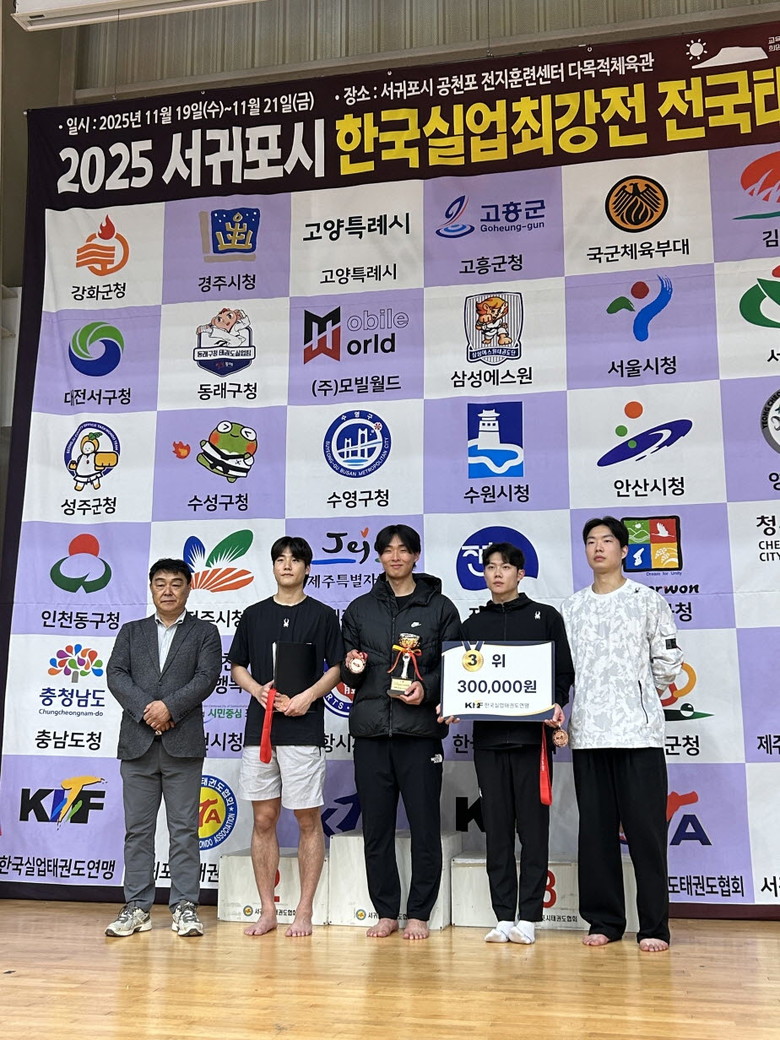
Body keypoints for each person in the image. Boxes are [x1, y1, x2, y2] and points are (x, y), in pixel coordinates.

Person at [561, 517, 683, 953]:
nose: (598, 548)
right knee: (596, 835)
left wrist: (640, 694)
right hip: (589, 734)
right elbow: (563, 670)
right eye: (591, 541)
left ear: (624, 550)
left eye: (607, 541)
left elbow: (668, 661)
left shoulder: (647, 600)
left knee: (646, 834)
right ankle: (605, 921)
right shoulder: (572, 607)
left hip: (638, 735)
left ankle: (654, 926)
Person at [341, 523, 461, 940]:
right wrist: (352, 666)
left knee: (425, 827)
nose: (396, 556)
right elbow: (348, 674)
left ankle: (419, 913)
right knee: (376, 829)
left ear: (415, 555)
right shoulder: (359, 609)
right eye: (388, 550)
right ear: (379, 557)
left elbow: (455, 666)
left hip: (419, 733)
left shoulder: (440, 607)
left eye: (403, 550)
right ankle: (386, 911)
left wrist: (427, 689)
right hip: (372, 733)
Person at [229, 536, 343, 938]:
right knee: (263, 819)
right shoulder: (254, 614)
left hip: (303, 729)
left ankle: (305, 910)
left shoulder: (323, 615)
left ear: (307, 568)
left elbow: (337, 668)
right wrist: (256, 690)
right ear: (273, 566)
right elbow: (237, 665)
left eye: (295, 559)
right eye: (280, 559)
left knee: (308, 819)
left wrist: (307, 697)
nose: (287, 565)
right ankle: (267, 910)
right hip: (260, 731)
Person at [461, 542, 573, 945]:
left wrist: (554, 702)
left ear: (520, 574)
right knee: (497, 832)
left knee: (533, 831)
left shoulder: (545, 617)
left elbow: (563, 673)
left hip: (532, 742)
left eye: (505, 567)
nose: (497, 574)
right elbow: (462, 678)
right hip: (489, 742)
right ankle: (503, 916)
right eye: (490, 567)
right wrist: (454, 703)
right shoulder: (472, 625)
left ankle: (529, 918)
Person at [105, 558, 222, 938]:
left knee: (184, 830)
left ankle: (185, 906)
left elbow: (206, 677)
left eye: (175, 583)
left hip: (182, 745)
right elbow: (115, 674)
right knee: (137, 831)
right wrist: (148, 710)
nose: (168, 590)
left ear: (189, 587)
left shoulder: (205, 632)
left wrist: (169, 708)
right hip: (137, 744)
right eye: (160, 583)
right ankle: (137, 907)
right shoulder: (131, 631)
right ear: (151, 587)